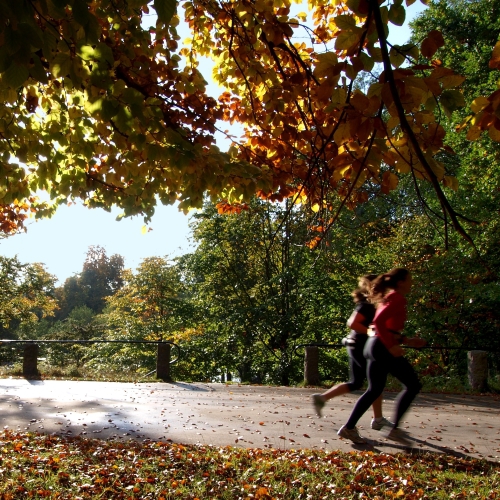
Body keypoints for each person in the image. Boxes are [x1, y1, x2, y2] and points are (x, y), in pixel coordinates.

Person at [337, 268, 426, 445]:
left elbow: (385, 327)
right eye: (409, 279)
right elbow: (379, 323)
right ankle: (393, 430)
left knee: (374, 389)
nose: (412, 282)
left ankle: (349, 428)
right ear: (400, 282)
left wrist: (407, 340)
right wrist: (392, 346)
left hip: (374, 345)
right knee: (413, 384)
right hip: (382, 347)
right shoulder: (397, 298)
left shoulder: (388, 298)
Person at [311, 274, 392, 432]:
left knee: (364, 383)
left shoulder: (371, 304)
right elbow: (352, 323)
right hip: (360, 346)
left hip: (358, 345)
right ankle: (377, 419)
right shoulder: (367, 305)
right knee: (372, 383)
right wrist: (371, 332)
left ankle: (323, 398)